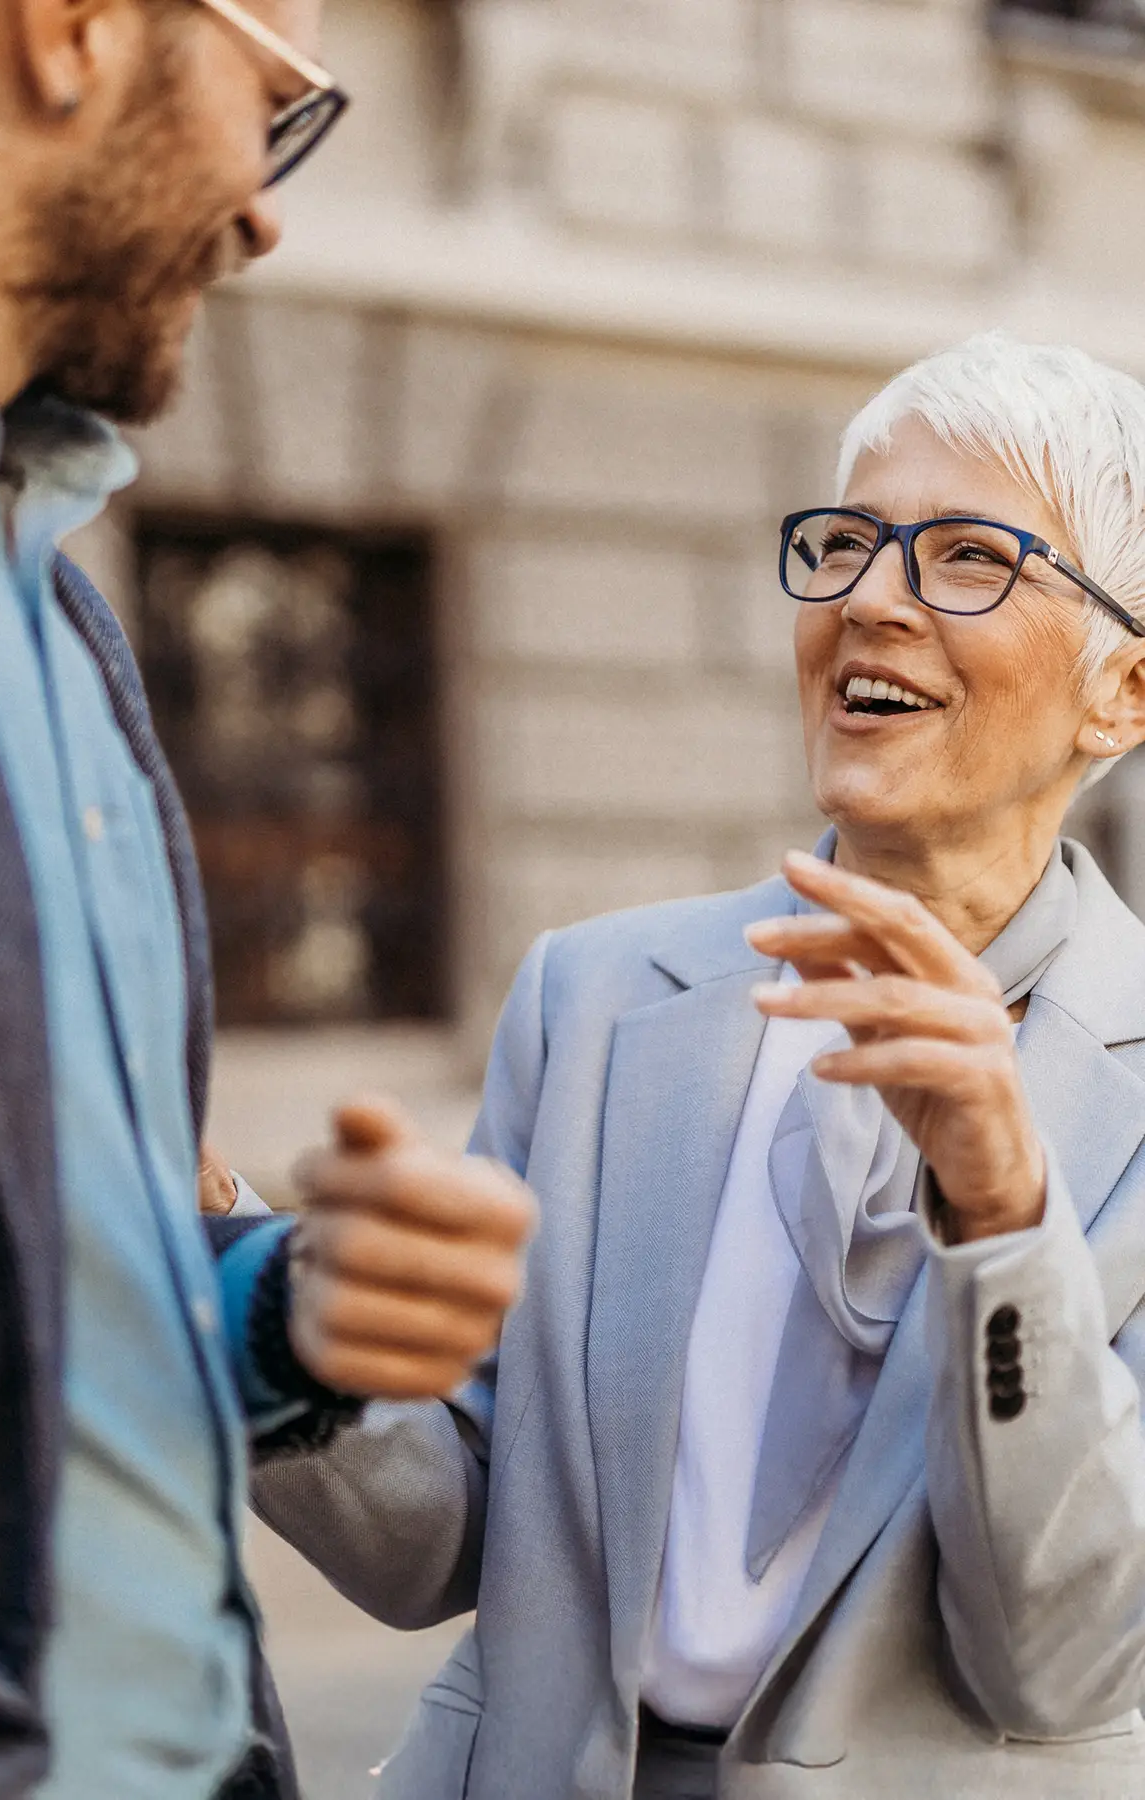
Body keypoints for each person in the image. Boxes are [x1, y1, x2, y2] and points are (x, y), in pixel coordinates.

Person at [256, 331, 1145, 1799]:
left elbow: (1062, 1654)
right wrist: (263, 1294)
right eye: (848, 543)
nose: (869, 599)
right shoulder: (597, 996)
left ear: (1120, 692)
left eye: (966, 559)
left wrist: (999, 1213)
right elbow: (449, 1539)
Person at [0, 3, 536, 1798]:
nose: (263, 210)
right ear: (69, 32)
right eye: (275, 109)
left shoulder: (59, 606)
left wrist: (277, 1314)